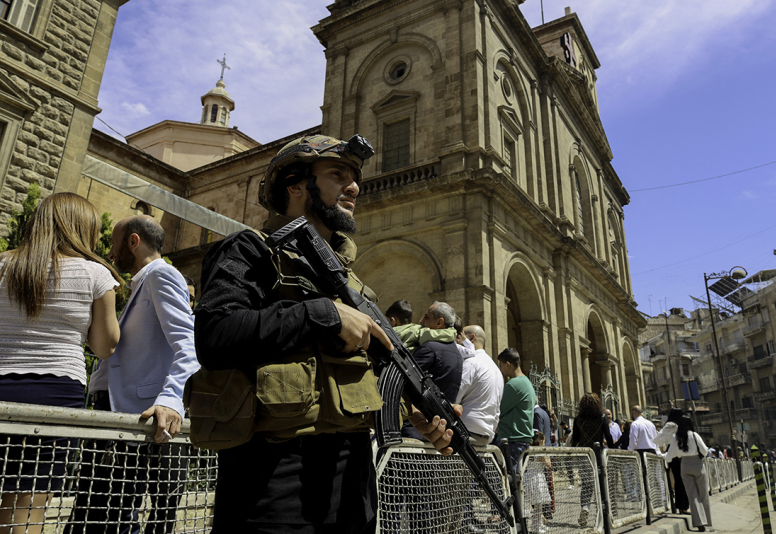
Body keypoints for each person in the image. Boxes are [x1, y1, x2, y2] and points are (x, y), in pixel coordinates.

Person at [192, 134, 456, 533]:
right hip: (274, 482)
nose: (354, 186)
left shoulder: (351, 282)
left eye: (355, 177)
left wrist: (413, 412)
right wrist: (323, 313)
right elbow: (215, 335)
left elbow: (358, 372)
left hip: (355, 487)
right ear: (295, 185)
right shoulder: (250, 251)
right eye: (338, 174)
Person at [66, 215, 199, 534]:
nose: (111, 253)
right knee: (96, 512)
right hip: (116, 411)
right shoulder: (144, 282)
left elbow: (188, 345)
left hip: (131, 417)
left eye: (113, 245)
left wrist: (170, 399)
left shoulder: (161, 275)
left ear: (133, 242)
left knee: (108, 514)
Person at [0, 193, 121, 534]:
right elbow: (105, 346)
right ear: (83, 229)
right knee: (27, 503)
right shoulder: (96, 274)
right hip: (55, 390)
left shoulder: (2, 264)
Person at [400, 302, 464, 440]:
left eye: (426, 317)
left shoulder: (429, 348)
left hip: (415, 428)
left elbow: (403, 382)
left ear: (439, 323)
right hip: (437, 429)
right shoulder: (455, 351)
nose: (421, 321)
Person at [571, 393, 614, 527]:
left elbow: (575, 439)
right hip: (598, 454)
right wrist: (612, 447)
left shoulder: (578, 419)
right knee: (601, 483)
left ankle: (585, 507)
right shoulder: (601, 418)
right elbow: (608, 437)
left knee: (586, 484)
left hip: (584, 455)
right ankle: (603, 512)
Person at [456, 325, 503, 446]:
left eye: (459, 337)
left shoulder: (471, 363)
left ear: (471, 338)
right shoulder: (496, 369)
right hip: (486, 436)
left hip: (466, 433)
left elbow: (454, 397)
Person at [665, 417, 711, 532]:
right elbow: (705, 450)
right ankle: (708, 521)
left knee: (692, 496)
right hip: (697, 465)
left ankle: (699, 523)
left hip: (684, 465)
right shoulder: (695, 435)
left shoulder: (676, 437)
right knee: (703, 493)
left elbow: (669, 455)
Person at [497, 347, 535, 471]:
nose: (500, 369)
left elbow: (498, 409)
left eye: (501, 365)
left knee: (504, 481)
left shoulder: (514, 385)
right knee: (515, 481)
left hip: (511, 440)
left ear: (508, 364)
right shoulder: (526, 382)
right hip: (521, 440)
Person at [653, 408, 688, 514]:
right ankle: (681, 506)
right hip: (675, 453)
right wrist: (670, 441)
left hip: (677, 452)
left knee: (679, 479)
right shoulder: (671, 425)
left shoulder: (676, 424)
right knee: (679, 479)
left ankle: (680, 505)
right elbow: (657, 439)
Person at [524, 432, 552, 534]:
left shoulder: (529, 451)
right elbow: (549, 465)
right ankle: (535, 526)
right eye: (544, 441)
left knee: (538, 505)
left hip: (531, 477)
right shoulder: (540, 452)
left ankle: (539, 524)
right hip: (537, 478)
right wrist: (547, 455)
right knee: (538, 505)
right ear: (541, 441)